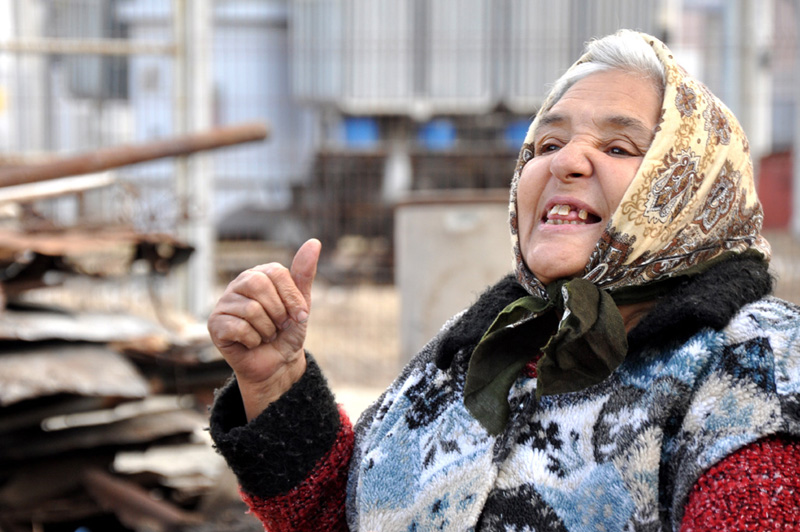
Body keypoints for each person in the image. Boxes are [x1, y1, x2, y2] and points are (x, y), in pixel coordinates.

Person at [207, 30, 800, 531]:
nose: (565, 162)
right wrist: (276, 384)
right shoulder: (482, 346)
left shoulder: (754, 367)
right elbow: (349, 518)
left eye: (619, 147)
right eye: (548, 142)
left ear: (695, 189)